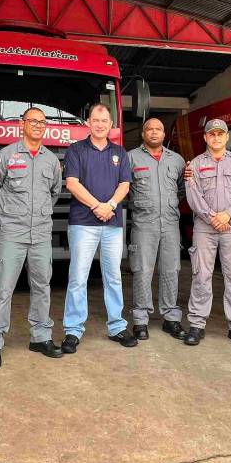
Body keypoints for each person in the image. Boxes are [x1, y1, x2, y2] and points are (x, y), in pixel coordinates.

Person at [0, 107, 65, 368]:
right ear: (22, 124)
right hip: (11, 233)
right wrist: (12, 213)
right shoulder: (5, 156)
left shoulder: (51, 161)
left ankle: (40, 336)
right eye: (33, 121)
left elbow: (54, 193)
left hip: (40, 233)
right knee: (2, 289)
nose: (38, 126)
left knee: (42, 287)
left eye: (42, 122)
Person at [62, 104, 136, 352]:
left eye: (105, 120)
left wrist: (111, 205)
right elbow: (72, 183)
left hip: (112, 224)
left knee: (113, 276)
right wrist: (97, 206)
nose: (100, 124)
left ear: (110, 123)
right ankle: (73, 330)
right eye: (96, 120)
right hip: (84, 223)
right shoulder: (76, 150)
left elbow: (125, 184)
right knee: (78, 277)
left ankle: (117, 326)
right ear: (88, 123)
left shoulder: (120, 152)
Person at [182, 119, 231, 348]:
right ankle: (197, 324)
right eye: (211, 134)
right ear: (205, 138)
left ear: (226, 138)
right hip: (205, 227)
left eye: (220, 134)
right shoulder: (193, 165)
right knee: (201, 275)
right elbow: (193, 196)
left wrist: (228, 215)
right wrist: (212, 217)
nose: (216, 138)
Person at [126, 118, 186, 340]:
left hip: (170, 223)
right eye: (149, 129)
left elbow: (181, 189)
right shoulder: (131, 157)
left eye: (158, 129)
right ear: (143, 134)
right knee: (142, 269)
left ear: (164, 134)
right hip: (143, 223)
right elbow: (125, 188)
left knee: (171, 269)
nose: (154, 132)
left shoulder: (177, 160)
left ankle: (171, 318)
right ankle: (140, 320)